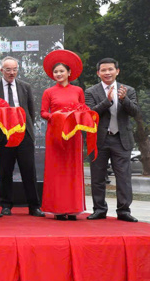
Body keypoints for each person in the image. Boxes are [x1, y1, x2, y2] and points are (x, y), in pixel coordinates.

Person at [85, 58, 141, 222]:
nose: (107, 72)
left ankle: (124, 211)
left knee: (123, 177)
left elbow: (135, 112)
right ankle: (99, 209)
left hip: (121, 139)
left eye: (110, 69)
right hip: (99, 140)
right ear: (98, 73)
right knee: (97, 177)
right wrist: (107, 101)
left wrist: (124, 99)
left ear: (117, 71)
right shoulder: (91, 91)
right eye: (103, 70)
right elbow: (89, 114)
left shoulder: (128, 90)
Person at [40, 50, 90, 220]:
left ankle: (73, 208)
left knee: (72, 171)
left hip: (74, 134)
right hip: (55, 134)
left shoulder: (78, 90)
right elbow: (43, 113)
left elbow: (83, 110)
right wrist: (54, 116)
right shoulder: (49, 92)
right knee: (57, 171)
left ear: (69, 72)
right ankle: (58, 209)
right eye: (56, 72)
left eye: (62, 71)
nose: (58, 74)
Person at [0, 57, 44, 217]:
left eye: (14, 69)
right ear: (2, 71)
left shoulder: (25, 87)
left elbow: (31, 111)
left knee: (29, 170)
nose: (11, 73)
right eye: (8, 69)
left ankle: (34, 206)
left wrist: (28, 130)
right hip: (3, 135)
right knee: (5, 170)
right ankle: (6, 205)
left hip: (23, 134)